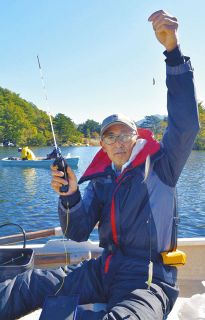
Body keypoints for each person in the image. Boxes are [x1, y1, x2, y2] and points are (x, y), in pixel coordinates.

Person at [0, 10, 199, 320]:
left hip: (149, 280)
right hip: (103, 269)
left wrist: (173, 54)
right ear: (102, 144)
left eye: (124, 134)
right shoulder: (102, 180)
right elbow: (77, 233)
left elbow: (185, 124)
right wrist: (70, 196)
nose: (118, 141)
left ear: (137, 138)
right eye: (110, 137)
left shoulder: (163, 166)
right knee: (29, 283)